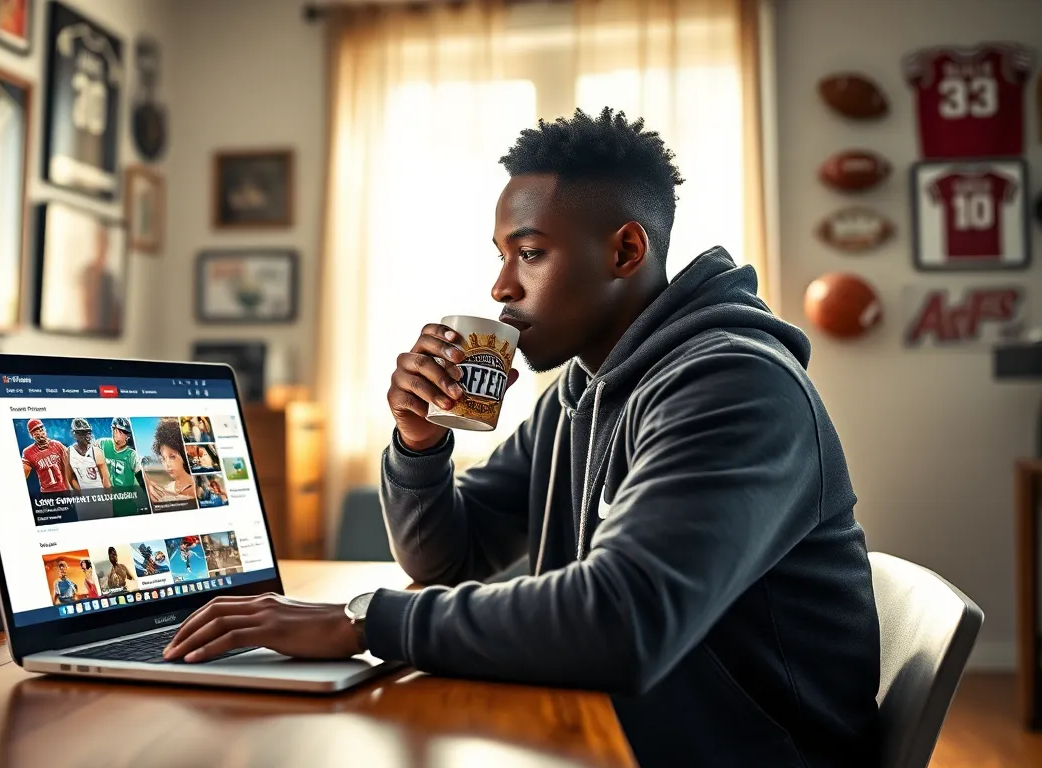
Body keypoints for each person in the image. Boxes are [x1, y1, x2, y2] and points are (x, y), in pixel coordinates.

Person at [161, 108, 881, 767]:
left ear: (626, 250)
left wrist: (360, 622)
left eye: (529, 253)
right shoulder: (581, 390)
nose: (501, 285)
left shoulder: (732, 385)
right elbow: (452, 558)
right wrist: (420, 445)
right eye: (502, 254)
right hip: (626, 730)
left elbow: (619, 621)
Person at [98, 417, 144, 516]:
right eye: (124, 432)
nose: (127, 436)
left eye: (128, 433)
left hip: (125, 505)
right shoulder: (102, 444)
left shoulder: (132, 454)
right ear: (114, 431)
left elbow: (141, 479)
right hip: (105, 503)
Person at [145, 419, 195, 504]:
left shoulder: (197, 489)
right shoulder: (167, 487)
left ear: (184, 455)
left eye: (172, 457)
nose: (167, 464)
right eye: (163, 459)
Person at [22, 419, 75, 493]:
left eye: (41, 428)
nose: (40, 431)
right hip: (47, 494)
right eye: (36, 430)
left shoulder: (57, 445)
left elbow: (73, 460)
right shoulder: (28, 452)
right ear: (31, 434)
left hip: (64, 490)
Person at [68, 418, 110, 490]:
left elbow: (106, 480)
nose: (87, 436)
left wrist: (107, 498)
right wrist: (81, 493)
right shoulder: (69, 452)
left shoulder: (96, 452)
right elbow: (70, 477)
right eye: (83, 433)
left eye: (89, 432)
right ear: (75, 434)